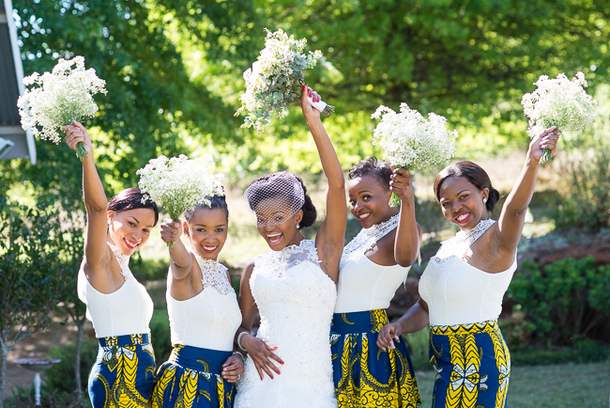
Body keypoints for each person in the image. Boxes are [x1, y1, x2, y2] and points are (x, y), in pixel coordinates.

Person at [377, 127, 561, 407]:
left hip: (480, 362)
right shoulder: (448, 247)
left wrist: (531, 161)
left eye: (464, 197)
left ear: (484, 193)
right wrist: (399, 326)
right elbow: (427, 307)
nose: (456, 208)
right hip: (446, 364)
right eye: (446, 203)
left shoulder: (497, 239)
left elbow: (515, 209)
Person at [233, 87, 345, 408]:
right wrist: (246, 342)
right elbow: (242, 325)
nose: (268, 227)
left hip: (310, 385)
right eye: (261, 218)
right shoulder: (255, 267)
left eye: (278, 217)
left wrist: (314, 123)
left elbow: (336, 185)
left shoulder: (323, 252)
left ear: (297, 216)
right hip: (259, 382)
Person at [64, 121, 159, 407]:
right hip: (118, 379)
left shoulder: (125, 267)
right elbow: (95, 207)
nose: (138, 235)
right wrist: (87, 156)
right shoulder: (99, 260)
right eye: (132, 223)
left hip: (143, 377)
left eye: (146, 229)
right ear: (111, 217)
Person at [332, 157, 422, 408]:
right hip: (341, 343)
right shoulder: (366, 233)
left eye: (366, 197)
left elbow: (405, 258)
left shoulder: (406, 229)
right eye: (353, 200)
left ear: (390, 193)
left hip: (369, 347)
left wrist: (408, 199)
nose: (357, 206)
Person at [152, 195, 243, 408]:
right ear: (186, 228)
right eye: (201, 229)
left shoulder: (224, 274)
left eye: (219, 229)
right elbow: (180, 259)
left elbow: (225, 332)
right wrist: (173, 240)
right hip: (188, 387)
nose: (211, 238)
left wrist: (237, 357)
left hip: (223, 388)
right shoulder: (187, 266)